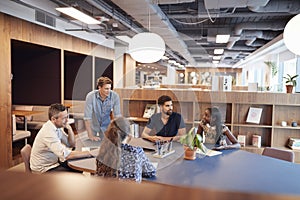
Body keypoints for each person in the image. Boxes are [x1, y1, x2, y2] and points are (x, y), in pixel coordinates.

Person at [30, 103, 92, 173]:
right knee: (76, 175)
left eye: (67, 117)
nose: (67, 120)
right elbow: (66, 155)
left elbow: (71, 144)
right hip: (44, 169)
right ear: (53, 119)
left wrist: (69, 129)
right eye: (64, 118)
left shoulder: (57, 128)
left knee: (79, 167)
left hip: (54, 163)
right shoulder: (48, 132)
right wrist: (90, 153)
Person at [95, 117, 156, 182]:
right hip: (130, 191)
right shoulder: (136, 152)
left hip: (106, 191)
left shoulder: (103, 152)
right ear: (129, 136)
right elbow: (150, 172)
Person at [84, 76, 121, 141]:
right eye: (106, 89)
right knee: (92, 145)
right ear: (99, 87)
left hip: (106, 126)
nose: (109, 91)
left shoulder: (115, 96)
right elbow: (87, 118)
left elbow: (117, 116)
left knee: (106, 145)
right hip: (93, 126)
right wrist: (91, 136)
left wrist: (118, 131)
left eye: (110, 88)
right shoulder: (90, 96)